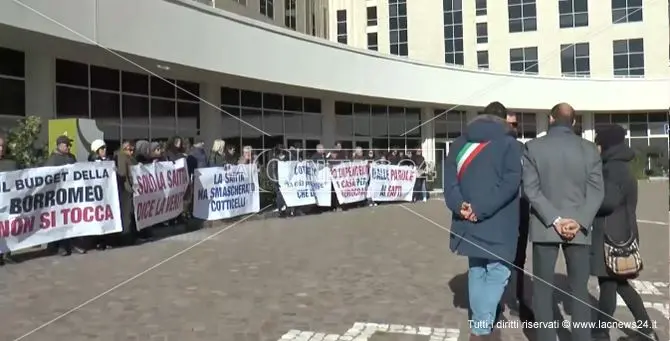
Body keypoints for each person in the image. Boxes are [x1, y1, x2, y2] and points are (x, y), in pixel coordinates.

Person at [522, 103, 604, 341]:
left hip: (544, 226)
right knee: (579, 291)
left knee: (542, 289)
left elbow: (530, 189)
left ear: (550, 118)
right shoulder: (590, 150)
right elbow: (597, 191)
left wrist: (555, 219)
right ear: (575, 122)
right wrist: (579, 221)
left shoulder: (533, 147)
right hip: (579, 228)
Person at [444, 111, 522, 340]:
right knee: (498, 273)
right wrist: (479, 209)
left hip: (466, 221)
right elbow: (510, 183)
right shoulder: (509, 145)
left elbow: (449, 184)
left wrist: (461, 207)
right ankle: (480, 329)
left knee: (477, 272)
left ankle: (479, 324)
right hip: (499, 224)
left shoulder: (459, 144)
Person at [590, 124, 659, 341]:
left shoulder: (613, 169)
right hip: (622, 231)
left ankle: (600, 334)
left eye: (598, 143)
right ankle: (646, 329)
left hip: (611, 235)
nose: (596, 148)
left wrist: (587, 198)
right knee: (619, 284)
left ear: (605, 144)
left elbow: (608, 202)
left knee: (608, 284)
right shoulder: (619, 165)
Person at [45, 135, 86, 256]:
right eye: (66, 145)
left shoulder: (71, 157)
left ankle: (73, 244)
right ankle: (60, 247)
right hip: (58, 197)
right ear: (59, 145)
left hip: (71, 195)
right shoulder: (52, 160)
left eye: (69, 145)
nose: (69, 147)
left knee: (72, 220)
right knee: (59, 222)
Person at [0, 135, 19, 265]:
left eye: (2, 146)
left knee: (8, 229)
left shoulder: (11, 164)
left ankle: (6, 254)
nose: (0, 148)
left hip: (8, 205)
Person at [114, 141, 137, 246]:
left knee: (129, 214)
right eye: (129, 149)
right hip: (125, 189)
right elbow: (122, 173)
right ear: (124, 149)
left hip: (130, 188)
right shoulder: (122, 158)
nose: (131, 152)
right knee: (126, 214)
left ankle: (129, 236)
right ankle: (126, 238)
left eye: (133, 150)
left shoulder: (131, 159)